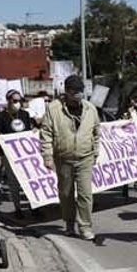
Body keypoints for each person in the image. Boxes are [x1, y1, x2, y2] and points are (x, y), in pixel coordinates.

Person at [41, 75, 102, 240]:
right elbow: (46, 133)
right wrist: (47, 156)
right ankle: (69, 223)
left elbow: (96, 132)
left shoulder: (90, 109)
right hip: (63, 158)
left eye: (80, 91)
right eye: (75, 91)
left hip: (85, 157)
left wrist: (95, 152)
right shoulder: (54, 109)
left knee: (85, 194)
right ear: (67, 92)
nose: (78, 94)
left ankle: (85, 227)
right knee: (66, 194)